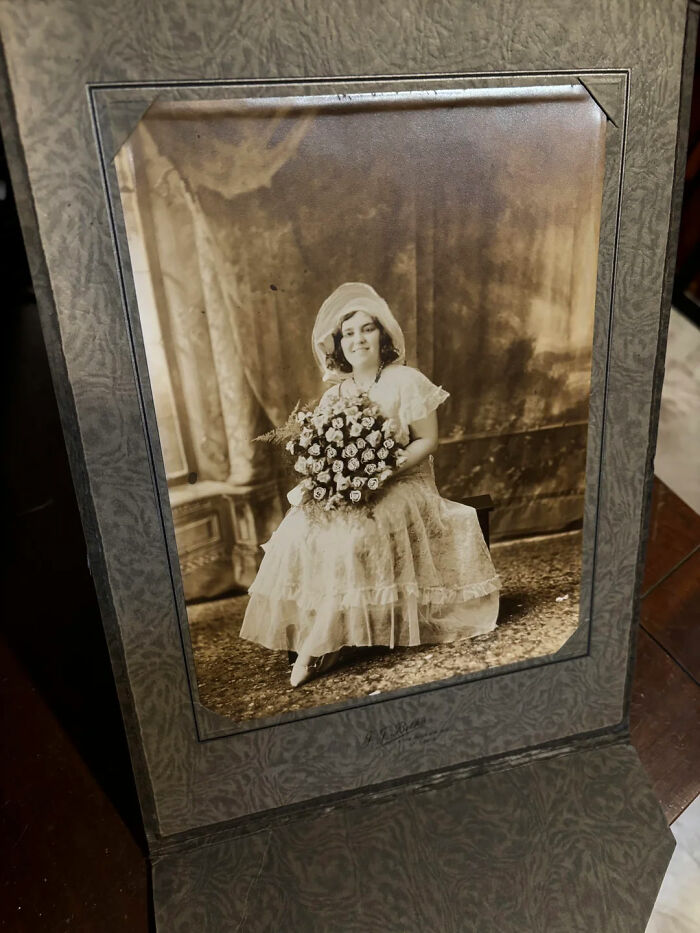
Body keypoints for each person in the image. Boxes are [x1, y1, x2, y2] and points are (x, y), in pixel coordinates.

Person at [239, 282, 500, 687]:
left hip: (405, 485)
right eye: (348, 333)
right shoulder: (334, 396)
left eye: (367, 329)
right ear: (338, 346)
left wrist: (382, 471)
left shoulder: (405, 380)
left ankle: (316, 646)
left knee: (353, 540)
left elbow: (428, 441)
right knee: (298, 532)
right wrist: (329, 478)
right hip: (352, 489)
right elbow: (322, 452)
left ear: (383, 336)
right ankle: (327, 633)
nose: (358, 339)